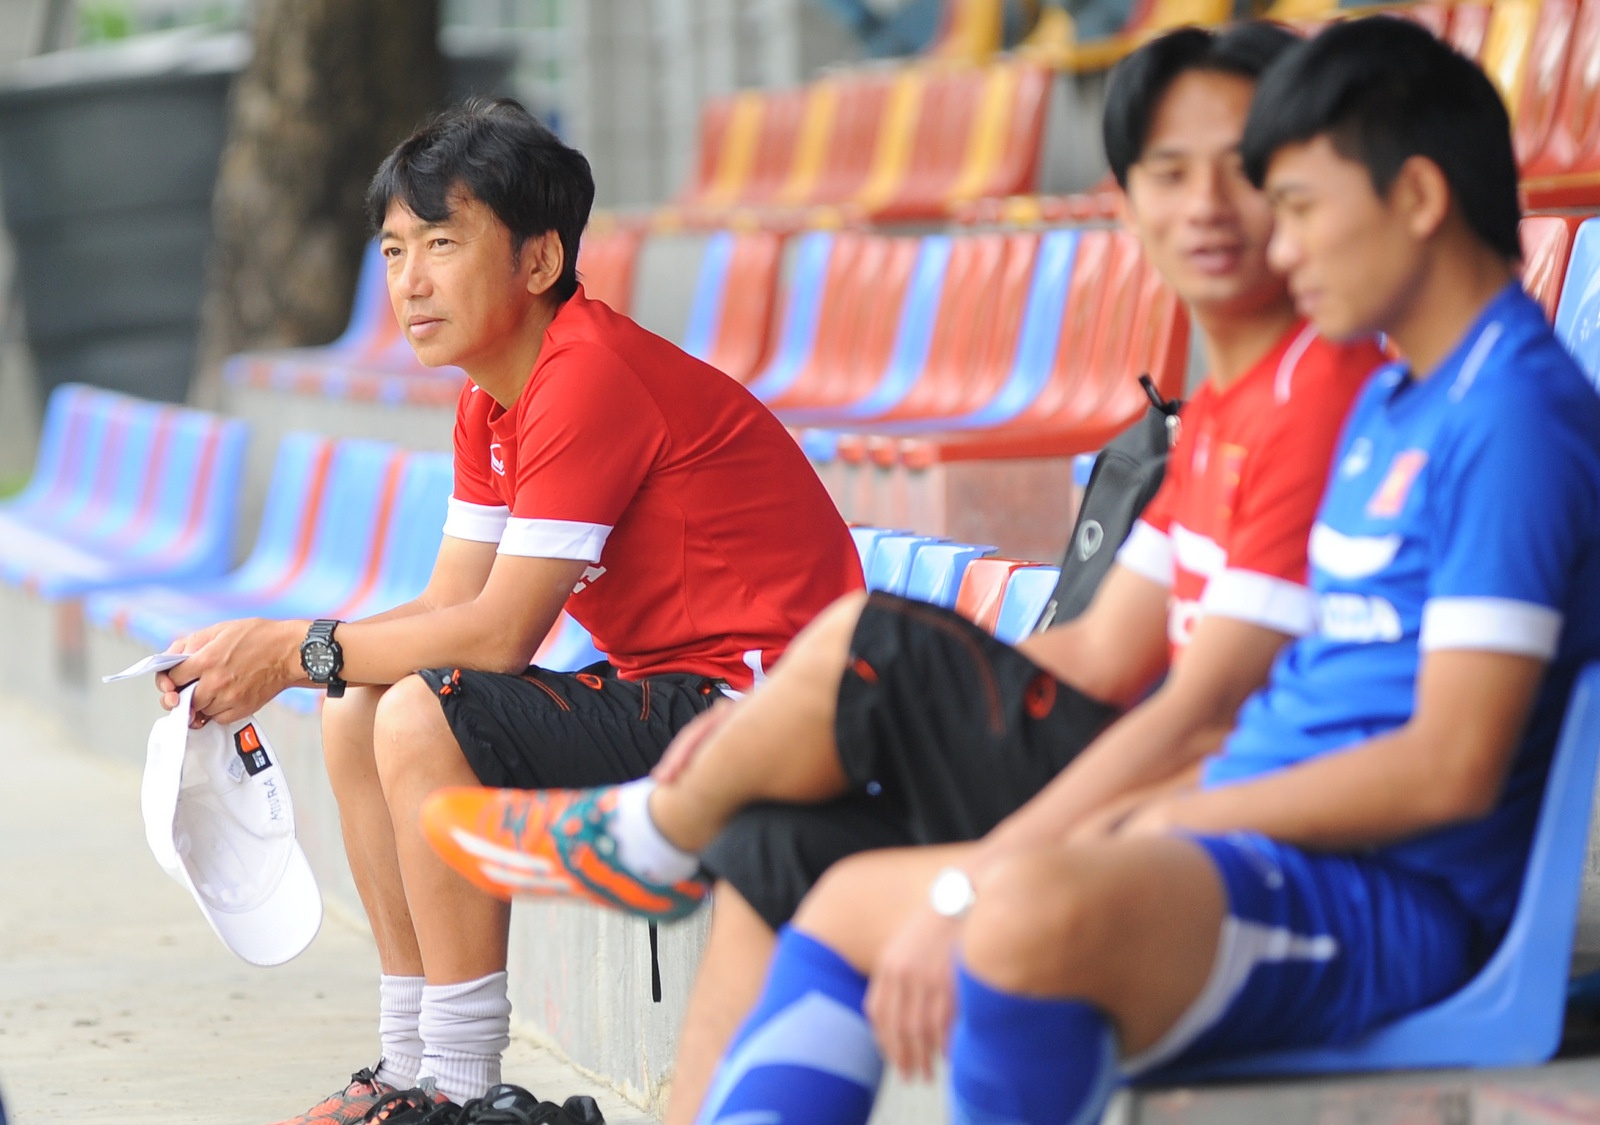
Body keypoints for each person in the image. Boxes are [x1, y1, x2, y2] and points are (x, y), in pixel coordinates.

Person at [433, 19, 1600, 1124]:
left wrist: (1108, 830)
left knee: (999, 893)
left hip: (1373, 893)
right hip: (1251, 838)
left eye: (1290, 204)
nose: (1274, 244)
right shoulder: (1402, 408)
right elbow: (1183, 677)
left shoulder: (1508, 416)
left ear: (1416, 198)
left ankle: (658, 830)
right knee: (838, 890)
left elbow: (1441, 763)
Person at [150, 99, 864, 1124]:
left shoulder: (589, 374)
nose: (411, 280)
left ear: (539, 261)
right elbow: (450, 604)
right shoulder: (490, 398)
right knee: (360, 699)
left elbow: (495, 636)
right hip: (677, 689)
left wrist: (292, 650)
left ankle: (462, 1083)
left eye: (442, 243)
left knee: (414, 706)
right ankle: (410, 1062)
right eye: (394, 249)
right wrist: (272, 656)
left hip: (769, 704)